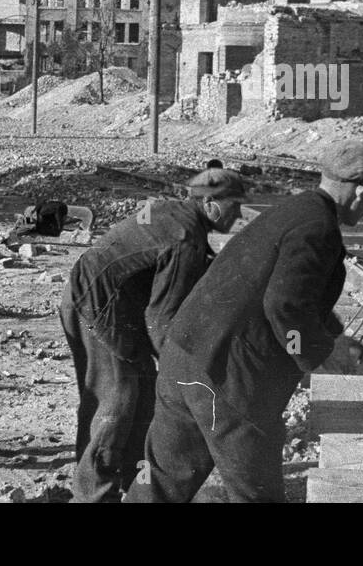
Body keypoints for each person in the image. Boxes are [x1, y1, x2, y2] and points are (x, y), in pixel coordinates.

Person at [124, 140, 363, 504]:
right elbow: (284, 305)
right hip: (227, 377)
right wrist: (321, 355)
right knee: (256, 494)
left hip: (183, 355)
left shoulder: (297, 209)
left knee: (160, 483)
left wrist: (333, 334)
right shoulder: (319, 228)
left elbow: (288, 291)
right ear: (362, 189)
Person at [60, 167, 247, 503]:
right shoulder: (186, 237)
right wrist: (184, 370)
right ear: (210, 203)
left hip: (104, 300)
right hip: (98, 304)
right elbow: (161, 318)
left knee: (143, 395)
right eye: (233, 205)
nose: (237, 214)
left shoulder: (176, 215)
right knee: (117, 400)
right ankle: (91, 495)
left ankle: (132, 483)